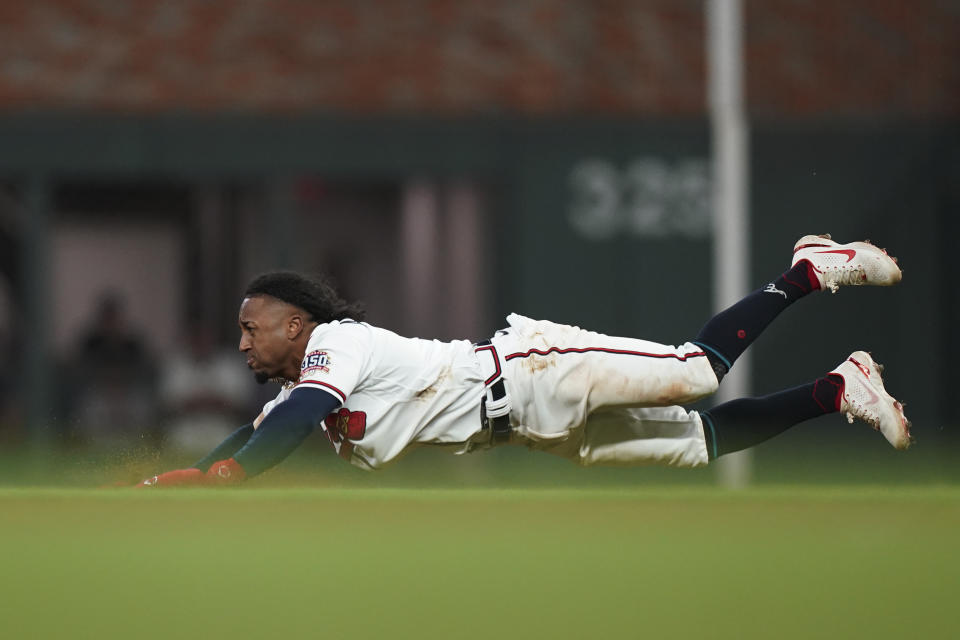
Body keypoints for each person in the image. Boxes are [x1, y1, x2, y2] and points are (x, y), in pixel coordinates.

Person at [136, 233, 911, 487]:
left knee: (698, 371)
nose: (243, 342)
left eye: (253, 327)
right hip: (532, 428)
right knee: (699, 445)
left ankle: (806, 271)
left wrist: (228, 480)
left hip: (536, 369)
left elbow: (297, 420)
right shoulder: (300, 382)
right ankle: (837, 389)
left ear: (297, 324)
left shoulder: (335, 344)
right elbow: (254, 432)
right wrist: (202, 478)